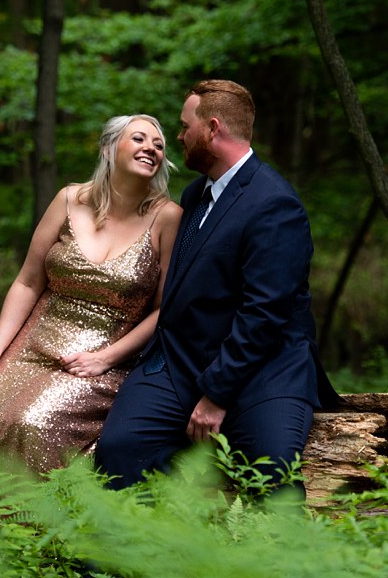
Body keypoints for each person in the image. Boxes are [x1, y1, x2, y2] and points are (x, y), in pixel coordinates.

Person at [94, 79, 336, 493]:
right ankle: (138, 552)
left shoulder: (274, 204)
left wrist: (216, 396)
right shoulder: (196, 195)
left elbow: (265, 314)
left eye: (186, 126)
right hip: (179, 364)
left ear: (213, 128)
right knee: (119, 449)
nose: (179, 137)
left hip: (263, 369)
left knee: (271, 472)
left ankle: (277, 556)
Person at [0, 114, 182, 474]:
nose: (151, 148)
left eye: (158, 144)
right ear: (108, 148)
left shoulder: (167, 217)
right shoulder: (69, 199)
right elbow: (27, 282)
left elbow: (165, 310)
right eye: (139, 139)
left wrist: (105, 358)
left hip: (98, 363)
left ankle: (29, 526)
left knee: (33, 423)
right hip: (31, 347)